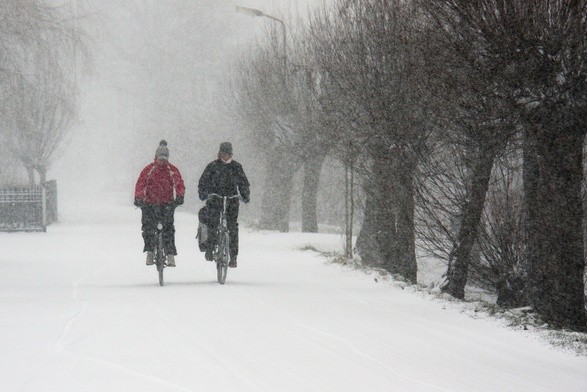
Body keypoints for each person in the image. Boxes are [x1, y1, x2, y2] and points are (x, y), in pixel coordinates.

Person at [198, 142, 250, 268]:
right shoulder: (212, 166)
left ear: (231, 154)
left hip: (232, 200)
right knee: (213, 222)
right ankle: (210, 249)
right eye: (223, 153)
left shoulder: (236, 167)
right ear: (219, 153)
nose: (225, 156)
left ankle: (233, 256)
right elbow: (203, 182)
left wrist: (245, 195)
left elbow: (243, 183)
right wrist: (204, 194)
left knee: (232, 227)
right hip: (216, 199)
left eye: (227, 154)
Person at [134, 140, 185, 267]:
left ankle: (170, 254)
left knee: (168, 228)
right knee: (148, 227)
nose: (162, 160)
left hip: (167, 203)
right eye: (160, 157)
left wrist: (179, 196)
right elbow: (141, 183)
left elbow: (179, 184)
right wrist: (139, 198)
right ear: (156, 157)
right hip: (150, 204)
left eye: (165, 157)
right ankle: (150, 251)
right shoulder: (149, 170)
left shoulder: (172, 170)